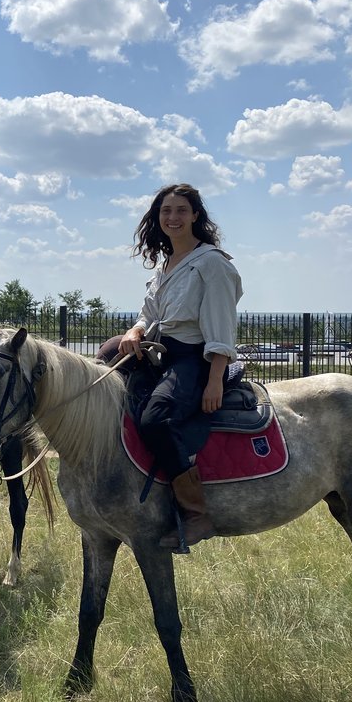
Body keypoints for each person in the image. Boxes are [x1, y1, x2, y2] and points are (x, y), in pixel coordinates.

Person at [118, 183, 243, 551]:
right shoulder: (166, 263)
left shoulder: (212, 264)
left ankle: (196, 512)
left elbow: (221, 328)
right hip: (163, 350)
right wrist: (136, 328)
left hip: (196, 356)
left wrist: (215, 380)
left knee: (155, 418)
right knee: (106, 364)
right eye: (166, 211)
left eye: (181, 211)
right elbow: (150, 312)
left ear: (196, 216)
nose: (172, 218)